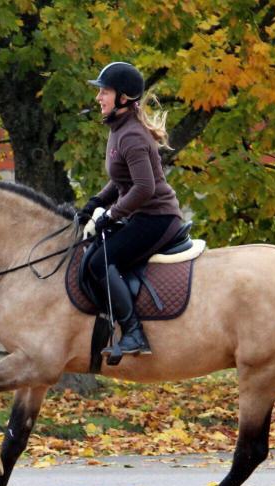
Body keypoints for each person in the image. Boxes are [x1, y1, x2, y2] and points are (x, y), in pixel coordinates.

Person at [78, 61, 184, 359]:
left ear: (123, 98)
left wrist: (112, 215)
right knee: (90, 256)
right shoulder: (118, 130)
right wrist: (96, 203)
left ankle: (135, 333)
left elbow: (144, 188)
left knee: (100, 263)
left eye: (105, 92)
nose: (99, 98)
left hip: (158, 218)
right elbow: (120, 180)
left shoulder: (133, 136)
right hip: (142, 215)